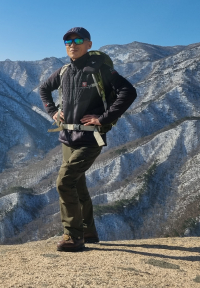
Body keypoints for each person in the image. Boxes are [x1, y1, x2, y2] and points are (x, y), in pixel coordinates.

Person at [39, 27, 137, 252]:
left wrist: (103, 119)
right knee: (78, 184)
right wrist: (52, 112)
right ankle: (88, 232)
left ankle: (74, 236)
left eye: (78, 41)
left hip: (91, 138)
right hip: (67, 137)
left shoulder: (100, 69)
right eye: (68, 42)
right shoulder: (64, 71)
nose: (72, 45)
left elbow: (128, 92)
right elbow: (44, 89)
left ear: (89, 44)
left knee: (65, 182)